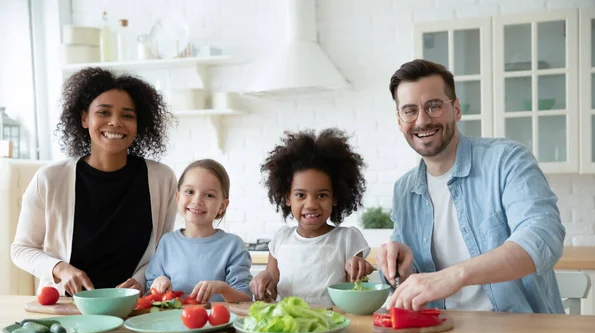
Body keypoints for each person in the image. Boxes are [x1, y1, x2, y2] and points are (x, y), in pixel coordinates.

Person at [377, 59, 565, 313]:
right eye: (409, 110)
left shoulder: (506, 160)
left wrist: (456, 275)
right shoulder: (404, 191)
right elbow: (411, 285)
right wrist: (401, 266)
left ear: (456, 109)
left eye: (434, 106)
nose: (422, 120)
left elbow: (542, 237)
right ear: (400, 121)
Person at [11, 67, 177, 295]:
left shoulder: (161, 178)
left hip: (136, 307)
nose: (115, 122)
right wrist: (61, 269)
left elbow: (164, 250)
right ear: (84, 118)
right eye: (103, 112)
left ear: (139, 125)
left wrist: (141, 280)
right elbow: (21, 249)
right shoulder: (50, 179)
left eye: (127, 115)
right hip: (68, 308)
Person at [250, 128, 373, 306]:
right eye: (300, 195)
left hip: (334, 323)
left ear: (335, 197)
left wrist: (359, 269)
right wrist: (263, 284)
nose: (311, 204)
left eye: (322, 195)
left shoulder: (348, 239)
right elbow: (271, 291)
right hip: (291, 326)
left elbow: (355, 293)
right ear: (287, 198)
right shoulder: (280, 239)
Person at [145, 159, 252, 303]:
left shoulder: (233, 245)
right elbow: (150, 290)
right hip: (174, 323)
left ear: (222, 206)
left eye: (209, 195)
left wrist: (223, 289)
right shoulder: (167, 242)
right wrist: (159, 281)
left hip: (220, 324)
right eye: (190, 192)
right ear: (178, 197)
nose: (197, 200)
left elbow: (245, 299)